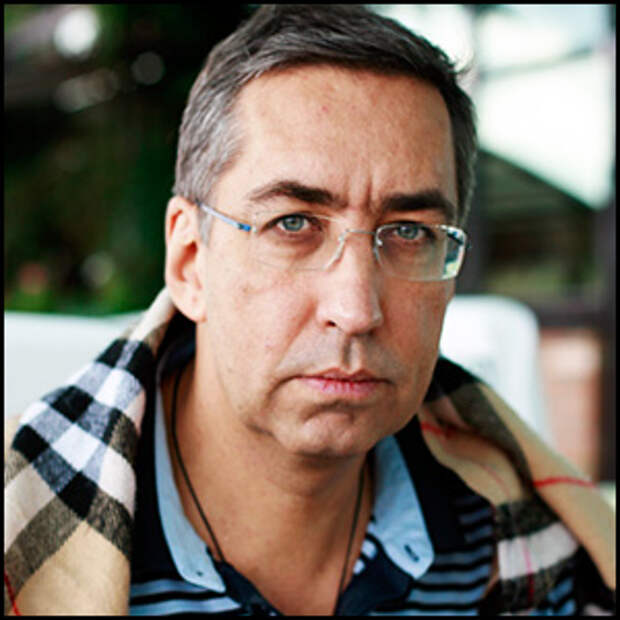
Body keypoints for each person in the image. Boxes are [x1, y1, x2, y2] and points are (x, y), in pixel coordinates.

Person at [4, 4, 615, 616]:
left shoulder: (514, 545)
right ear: (190, 261)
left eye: (410, 233)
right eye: (293, 224)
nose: (356, 310)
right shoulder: (21, 529)